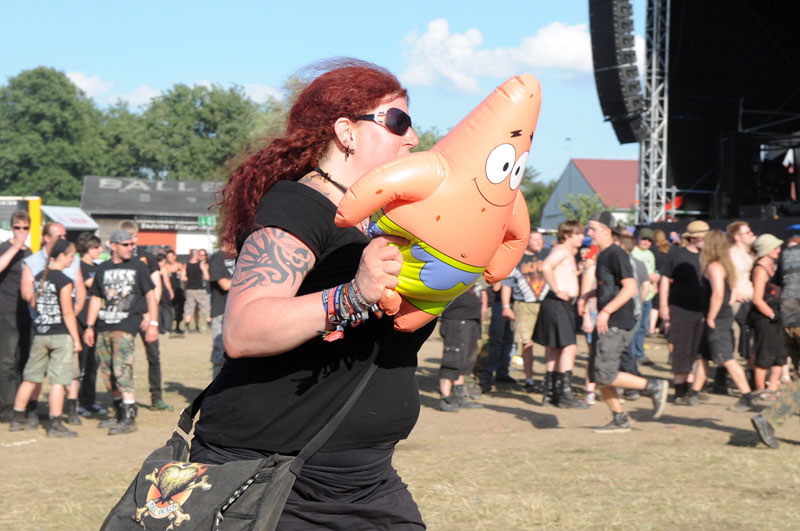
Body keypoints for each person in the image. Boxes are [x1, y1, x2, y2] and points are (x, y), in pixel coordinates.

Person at [188, 59, 437, 528]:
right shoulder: (299, 204)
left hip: (364, 481)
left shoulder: (382, 223)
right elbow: (243, 329)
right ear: (347, 130)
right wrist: (353, 294)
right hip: (272, 477)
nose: (412, 137)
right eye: (397, 121)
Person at [586, 211, 667, 433]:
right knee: (597, 373)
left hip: (617, 321)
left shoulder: (615, 254)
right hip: (607, 319)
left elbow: (630, 287)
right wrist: (590, 296)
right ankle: (619, 418)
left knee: (605, 373)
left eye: (592, 228)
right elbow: (610, 287)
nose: (589, 233)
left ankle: (653, 386)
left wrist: (605, 312)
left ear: (606, 231)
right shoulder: (603, 254)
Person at [83, 229, 159, 435]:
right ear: (113, 246)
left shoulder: (138, 266)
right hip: (103, 325)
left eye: (131, 244)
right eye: (126, 244)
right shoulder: (103, 268)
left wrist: (153, 323)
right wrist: (89, 326)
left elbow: (151, 295)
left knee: (122, 369)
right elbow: (96, 298)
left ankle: (129, 417)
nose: (131, 247)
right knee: (107, 373)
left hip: (126, 325)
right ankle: (118, 412)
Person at [10, 239, 82, 437]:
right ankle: (55, 423)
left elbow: (34, 304)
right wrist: (76, 339)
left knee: (30, 378)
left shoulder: (41, 276)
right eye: (70, 255)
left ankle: (17, 418)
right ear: (61, 256)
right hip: (60, 335)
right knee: (58, 381)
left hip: (41, 333)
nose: (73, 259)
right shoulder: (65, 281)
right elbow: (68, 313)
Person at [694, 229, 756, 411]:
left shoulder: (714, 266)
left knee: (726, 357)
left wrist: (712, 316)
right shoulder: (725, 264)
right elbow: (732, 292)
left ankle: (746, 396)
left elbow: (718, 294)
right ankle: (693, 393)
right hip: (721, 314)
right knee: (702, 356)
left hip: (717, 317)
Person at [118, 220, 172, 411]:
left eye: (134, 237)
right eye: (130, 237)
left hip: (145, 315)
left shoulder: (147, 258)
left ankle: (156, 398)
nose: (134, 241)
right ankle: (122, 400)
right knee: (123, 358)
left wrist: (150, 314)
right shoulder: (117, 259)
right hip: (124, 317)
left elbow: (156, 287)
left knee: (154, 357)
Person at [532, 219, 586, 408]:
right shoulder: (561, 250)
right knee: (569, 348)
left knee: (554, 348)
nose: (582, 237)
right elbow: (546, 266)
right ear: (567, 235)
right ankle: (564, 395)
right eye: (578, 234)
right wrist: (556, 289)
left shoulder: (566, 252)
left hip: (559, 304)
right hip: (557, 302)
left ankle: (550, 394)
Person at [659, 220, 708, 404]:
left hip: (701, 309)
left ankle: (690, 388)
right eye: (704, 236)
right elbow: (664, 280)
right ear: (694, 238)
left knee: (696, 349)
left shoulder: (707, 257)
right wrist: (663, 305)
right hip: (680, 308)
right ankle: (679, 390)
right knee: (681, 347)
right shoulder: (677, 255)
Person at [501, 230, 549, 392]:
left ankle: (550, 378)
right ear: (527, 241)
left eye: (540, 239)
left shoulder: (548, 256)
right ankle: (529, 379)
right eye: (535, 239)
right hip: (524, 305)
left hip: (546, 303)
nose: (538, 242)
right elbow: (507, 284)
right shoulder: (518, 259)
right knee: (526, 343)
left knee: (550, 343)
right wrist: (506, 306)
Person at [0, 211, 32, 423]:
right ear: (11, 228)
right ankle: (5, 408)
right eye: (17, 227)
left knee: (23, 361)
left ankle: (20, 407)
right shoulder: (5, 248)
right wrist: (14, 247)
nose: (21, 232)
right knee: (6, 362)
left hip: (25, 313)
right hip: (6, 310)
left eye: (25, 228)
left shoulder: (30, 253)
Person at [749, 234, 786, 397]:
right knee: (764, 354)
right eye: (776, 247)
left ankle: (773, 387)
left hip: (777, 315)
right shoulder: (760, 270)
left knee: (780, 354)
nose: (779, 250)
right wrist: (772, 315)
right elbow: (757, 299)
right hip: (765, 317)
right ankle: (760, 389)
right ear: (767, 250)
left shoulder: (773, 266)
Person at [437, 285, 485, 412]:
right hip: (455, 318)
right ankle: (445, 398)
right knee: (452, 358)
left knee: (465, 360)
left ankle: (459, 397)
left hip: (471, 319)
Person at [75, 232, 107, 417]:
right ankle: (77, 402)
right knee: (81, 365)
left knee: (93, 365)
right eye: (97, 247)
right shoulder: (79, 267)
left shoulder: (98, 267)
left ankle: (90, 400)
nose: (101, 250)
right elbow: (95, 286)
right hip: (81, 322)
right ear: (88, 249)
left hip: (97, 323)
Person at [479, 281, 516, 393]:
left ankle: (502, 373)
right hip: (497, 304)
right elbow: (496, 287)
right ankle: (486, 377)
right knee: (495, 342)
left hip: (513, 303)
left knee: (509, 341)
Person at [207, 247, 235, 378]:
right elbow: (225, 284)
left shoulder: (243, 254)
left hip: (239, 312)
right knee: (220, 353)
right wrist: (249, 279)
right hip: (221, 311)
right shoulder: (217, 257)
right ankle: (215, 390)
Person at [630, 228, 657, 364]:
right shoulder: (633, 253)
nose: (646, 242)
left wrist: (655, 286)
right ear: (638, 239)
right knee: (634, 327)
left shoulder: (650, 255)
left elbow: (652, 274)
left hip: (648, 296)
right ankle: (634, 354)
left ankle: (639, 353)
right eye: (644, 239)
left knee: (642, 328)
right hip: (636, 296)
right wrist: (651, 277)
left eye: (649, 240)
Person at [182, 248, 210, 332]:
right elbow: (207, 276)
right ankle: (209, 326)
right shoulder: (201, 264)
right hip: (200, 289)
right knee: (205, 308)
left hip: (190, 289)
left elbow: (183, 277)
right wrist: (201, 278)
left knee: (189, 309)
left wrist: (189, 279)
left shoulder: (186, 265)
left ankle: (187, 328)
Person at [165, 249, 186, 335]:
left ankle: (177, 326)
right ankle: (168, 327)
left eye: (171, 256)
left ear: (175, 256)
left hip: (178, 290)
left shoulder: (180, 266)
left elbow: (184, 277)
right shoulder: (165, 267)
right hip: (169, 290)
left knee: (179, 309)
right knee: (169, 309)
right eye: (168, 257)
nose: (170, 258)